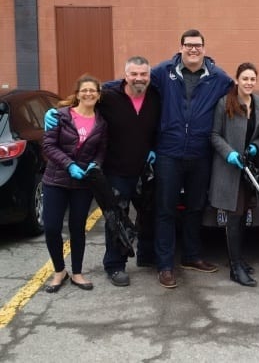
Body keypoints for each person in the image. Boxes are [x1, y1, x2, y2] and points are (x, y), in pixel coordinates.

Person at [45, 56, 161, 287]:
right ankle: (115, 265)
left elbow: (163, 124)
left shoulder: (156, 95)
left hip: (144, 168)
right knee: (115, 218)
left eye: (143, 74)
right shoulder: (109, 95)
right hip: (116, 169)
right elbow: (83, 102)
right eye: (134, 74)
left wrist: (155, 148)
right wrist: (54, 112)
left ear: (149, 76)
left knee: (149, 213)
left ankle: (147, 256)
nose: (139, 78)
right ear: (125, 75)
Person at [150, 29, 233, 288]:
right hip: (169, 152)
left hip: (200, 153)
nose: (193, 50)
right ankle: (165, 265)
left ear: (204, 48)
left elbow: (242, 99)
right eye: (189, 45)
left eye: (197, 45)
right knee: (165, 209)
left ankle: (191, 255)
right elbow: (131, 85)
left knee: (196, 207)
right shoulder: (163, 72)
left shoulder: (219, 78)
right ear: (181, 47)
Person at [42, 74, 107, 293]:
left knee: (77, 228)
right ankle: (59, 271)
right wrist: (69, 165)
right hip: (55, 180)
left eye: (93, 90)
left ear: (98, 96)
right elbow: (49, 146)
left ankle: (77, 273)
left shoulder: (101, 123)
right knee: (51, 227)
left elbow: (101, 151)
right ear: (77, 93)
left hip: (82, 185)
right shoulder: (60, 116)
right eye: (84, 90)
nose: (88, 93)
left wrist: (95, 165)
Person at [209, 62, 259, 287]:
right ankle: (234, 268)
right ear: (237, 80)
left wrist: (256, 148)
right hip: (229, 170)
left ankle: (239, 259)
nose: (249, 83)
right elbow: (214, 135)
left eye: (252, 79)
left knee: (243, 216)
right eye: (245, 79)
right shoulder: (225, 103)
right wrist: (230, 154)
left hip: (249, 171)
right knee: (233, 217)